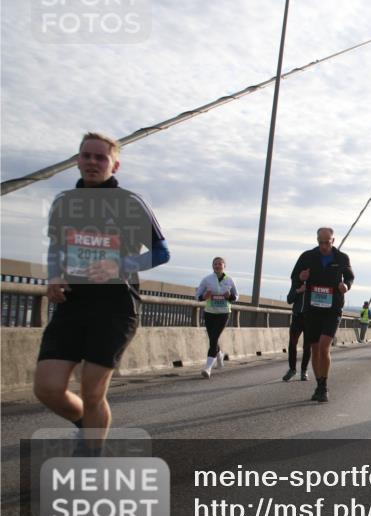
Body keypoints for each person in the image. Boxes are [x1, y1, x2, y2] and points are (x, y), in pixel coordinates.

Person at [33, 132, 170, 456]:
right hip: (73, 303)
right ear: (78, 160)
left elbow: (161, 252)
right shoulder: (64, 202)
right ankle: (87, 425)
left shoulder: (130, 203)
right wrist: (53, 276)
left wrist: (119, 265)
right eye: (87, 156)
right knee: (47, 387)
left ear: (114, 165)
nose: (93, 162)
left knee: (93, 391)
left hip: (116, 306)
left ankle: (91, 457)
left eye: (100, 157)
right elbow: (56, 246)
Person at [290, 227, 354, 403]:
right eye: (321, 242)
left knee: (324, 346)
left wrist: (346, 286)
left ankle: (324, 386)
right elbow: (294, 277)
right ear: (317, 240)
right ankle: (319, 385)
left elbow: (349, 277)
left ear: (333, 240)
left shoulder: (342, 258)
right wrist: (301, 277)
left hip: (333, 309)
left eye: (328, 242)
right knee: (315, 348)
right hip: (313, 309)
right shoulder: (307, 256)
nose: (324, 246)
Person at [194, 257, 238, 378]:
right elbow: (197, 296)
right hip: (210, 313)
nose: (218, 266)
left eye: (220, 264)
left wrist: (230, 296)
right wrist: (204, 296)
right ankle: (219, 355)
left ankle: (207, 369)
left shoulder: (229, 280)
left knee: (214, 338)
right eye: (215, 264)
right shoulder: (207, 280)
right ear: (212, 266)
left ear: (224, 266)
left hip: (224, 313)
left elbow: (236, 297)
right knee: (213, 339)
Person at [282, 281, 311, 382]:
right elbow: (289, 300)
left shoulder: (315, 283)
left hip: (310, 319)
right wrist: (299, 290)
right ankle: (292, 369)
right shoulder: (296, 283)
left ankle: (304, 371)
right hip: (297, 318)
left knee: (307, 346)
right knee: (292, 344)